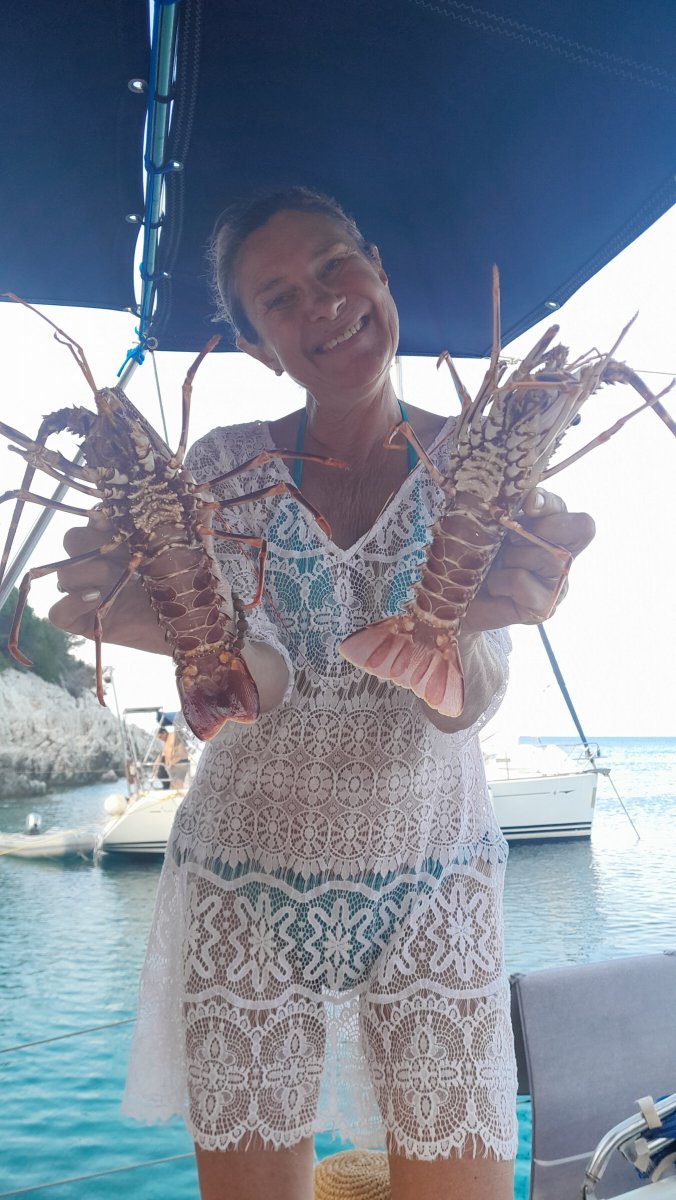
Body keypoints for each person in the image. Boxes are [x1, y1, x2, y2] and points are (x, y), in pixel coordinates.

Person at [49, 187, 595, 1200]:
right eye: (279, 297)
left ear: (377, 269)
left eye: (335, 265)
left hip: (433, 878)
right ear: (259, 347)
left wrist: (491, 612)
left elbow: (462, 702)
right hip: (244, 882)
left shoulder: (473, 455)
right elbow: (256, 675)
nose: (323, 303)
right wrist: (183, 643)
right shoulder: (220, 466)